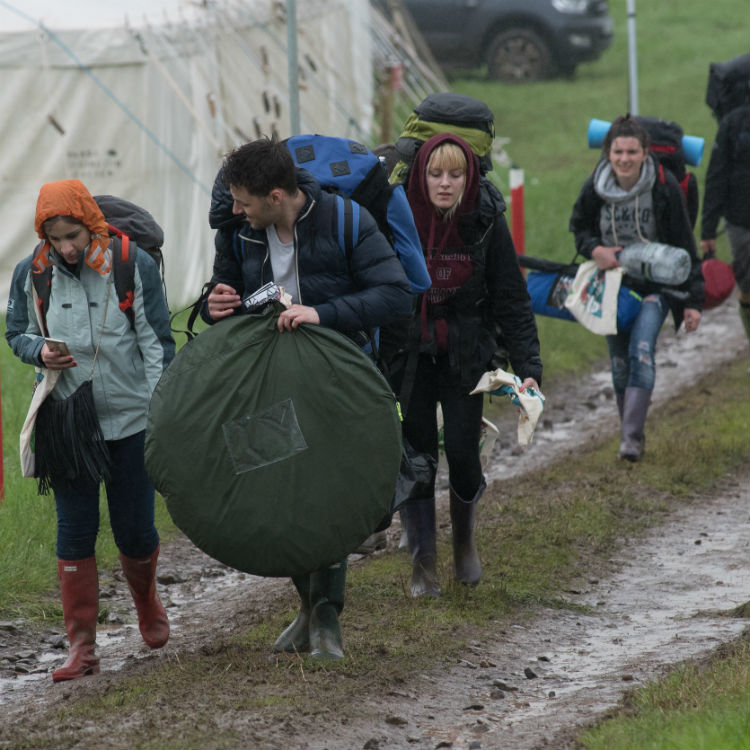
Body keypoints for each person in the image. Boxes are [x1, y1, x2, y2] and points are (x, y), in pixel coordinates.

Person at [201, 136, 413, 659]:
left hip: (336, 378)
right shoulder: (239, 232)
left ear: (276, 196)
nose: (234, 210)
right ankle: (307, 606)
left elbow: (395, 294)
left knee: (328, 490)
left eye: (244, 202)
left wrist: (322, 313)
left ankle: (325, 617)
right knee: (279, 487)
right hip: (267, 379)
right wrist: (215, 302)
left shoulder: (347, 220)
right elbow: (222, 291)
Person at [5, 179, 175, 682]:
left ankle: (146, 602)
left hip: (132, 419)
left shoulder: (130, 264)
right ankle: (82, 648)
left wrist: (161, 415)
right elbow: (15, 333)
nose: (67, 248)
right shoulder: (33, 272)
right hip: (67, 422)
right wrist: (40, 351)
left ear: (91, 224)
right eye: (55, 238)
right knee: (74, 531)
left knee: (135, 529)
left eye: (74, 235)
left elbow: (157, 345)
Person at [393, 132, 542, 598]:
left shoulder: (485, 221)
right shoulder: (398, 217)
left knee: (461, 450)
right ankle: (423, 565)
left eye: (455, 175)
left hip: (466, 356)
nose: (444, 183)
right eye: (436, 174)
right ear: (422, 176)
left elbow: (511, 297)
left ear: (468, 177)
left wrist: (528, 365)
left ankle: (463, 545)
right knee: (416, 455)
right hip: (410, 357)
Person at [570, 114, 704, 462]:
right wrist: (595, 250)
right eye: (618, 152)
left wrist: (694, 300)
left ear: (646, 153)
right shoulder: (595, 185)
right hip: (612, 284)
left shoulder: (663, 186)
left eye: (632, 152)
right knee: (618, 362)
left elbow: (685, 244)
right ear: (607, 152)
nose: (624, 159)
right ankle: (627, 432)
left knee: (641, 349)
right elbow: (579, 228)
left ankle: (631, 440)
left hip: (657, 287)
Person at [699, 103, 750, 344]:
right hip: (741, 221)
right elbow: (716, 175)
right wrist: (708, 229)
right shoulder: (733, 123)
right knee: (748, 286)